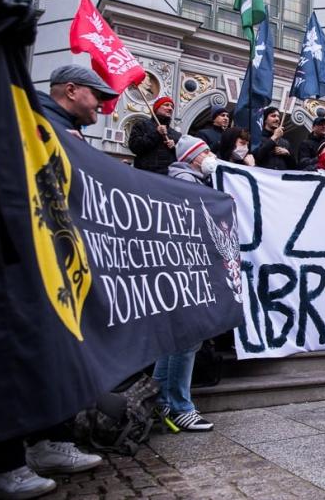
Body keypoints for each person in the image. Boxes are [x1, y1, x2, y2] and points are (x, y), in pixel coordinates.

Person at [0, 0, 102, 497]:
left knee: (53, 335)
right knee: (28, 332)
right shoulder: (35, 108)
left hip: (27, 231)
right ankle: (3, 456)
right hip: (11, 225)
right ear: (69, 90)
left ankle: (44, 437)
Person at [152, 137, 218, 433]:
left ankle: (161, 399)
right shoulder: (185, 182)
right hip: (186, 269)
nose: (210, 156)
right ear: (192, 157)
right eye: (205, 151)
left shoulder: (189, 180)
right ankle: (180, 405)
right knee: (188, 338)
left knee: (175, 339)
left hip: (184, 268)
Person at [36, 65, 118, 136]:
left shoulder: (69, 130)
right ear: (71, 91)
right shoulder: (32, 124)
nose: (102, 104)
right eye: (97, 96)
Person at [128, 96, 181, 174]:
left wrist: (175, 147)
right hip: (145, 174)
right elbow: (135, 147)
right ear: (156, 109)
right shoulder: (142, 125)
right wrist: (156, 134)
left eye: (172, 107)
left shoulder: (176, 134)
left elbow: (182, 157)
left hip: (167, 176)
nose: (170, 108)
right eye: (166, 105)